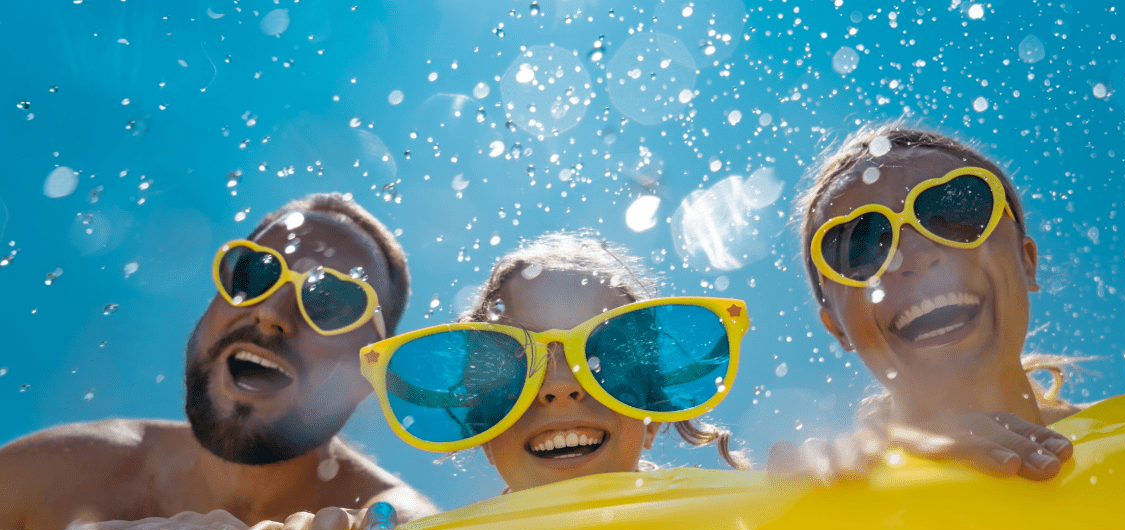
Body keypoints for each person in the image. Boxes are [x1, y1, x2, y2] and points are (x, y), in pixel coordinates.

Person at [0, 193, 437, 530]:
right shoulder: (52, 474)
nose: (271, 313)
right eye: (254, 274)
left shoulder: (388, 525)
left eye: (330, 302)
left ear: (369, 370)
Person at [780, 124, 1078, 478]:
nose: (914, 257)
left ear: (1026, 261)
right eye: (859, 247)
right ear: (837, 327)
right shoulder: (839, 495)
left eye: (954, 213)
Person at [354, 231, 751, 496]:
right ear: (485, 432)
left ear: (652, 419)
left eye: (605, 360)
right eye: (513, 368)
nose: (560, 386)